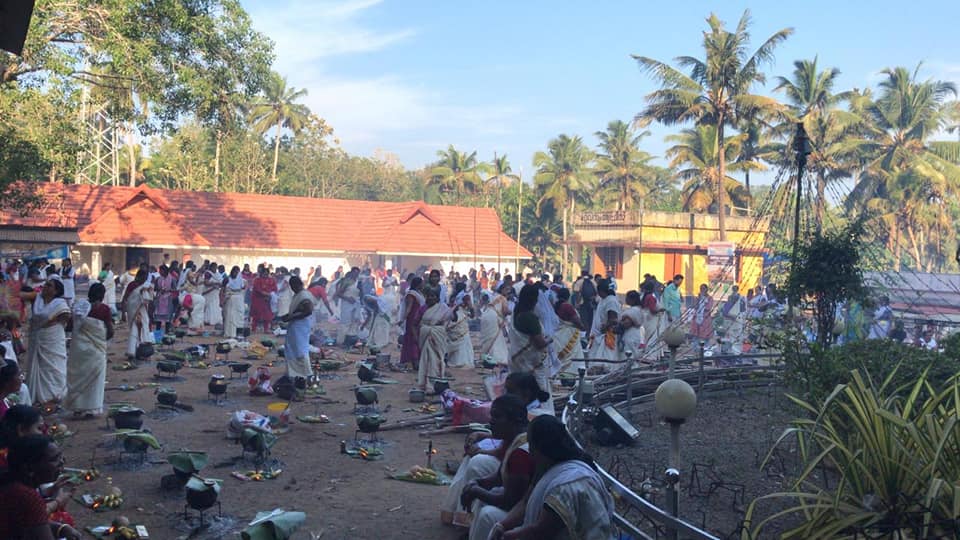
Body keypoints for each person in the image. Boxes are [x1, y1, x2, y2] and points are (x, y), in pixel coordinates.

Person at [490, 415, 616, 540]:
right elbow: (525, 501)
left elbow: (541, 532)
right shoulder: (547, 466)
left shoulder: (565, 487)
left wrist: (507, 536)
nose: (529, 450)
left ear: (542, 448)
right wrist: (502, 526)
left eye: (531, 445)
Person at [462, 394, 536, 540]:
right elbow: (498, 477)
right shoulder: (514, 440)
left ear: (517, 420)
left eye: (497, 417)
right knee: (483, 494)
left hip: (527, 517)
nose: (491, 422)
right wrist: (477, 483)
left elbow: (510, 501)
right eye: (492, 416)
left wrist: (477, 491)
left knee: (487, 514)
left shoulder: (521, 452)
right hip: (518, 505)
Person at [0, 435, 82, 540]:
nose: (61, 462)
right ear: (29, 467)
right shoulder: (27, 496)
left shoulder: (12, 483)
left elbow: (31, 521)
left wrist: (61, 528)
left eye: (60, 457)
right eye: (54, 459)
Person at [63, 283, 112, 418]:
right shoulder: (104, 309)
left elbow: (69, 328)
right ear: (102, 296)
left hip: (78, 349)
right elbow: (110, 331)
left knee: (78, 376)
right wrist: (101, 341)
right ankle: (91, 408)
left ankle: (77, 407)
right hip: (96, 350)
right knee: (94, 379)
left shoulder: (78, 307)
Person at [22, 278, 70, 406]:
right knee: (39, 367)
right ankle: (38, 397)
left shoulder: (60, 304)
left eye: (49, 285)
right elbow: (20, 295)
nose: (45, 287)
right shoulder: (37, 299)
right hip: (37, 338)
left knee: (54, 367)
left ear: (55, 291)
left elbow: (65, 320)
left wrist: (50, 326)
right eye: (45, 284)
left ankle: (54, 395)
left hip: (53, 339)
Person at [508, 284, 552, 415]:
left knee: (518, 390)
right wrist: (550, 340)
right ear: (535, 299)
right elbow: (539, 344)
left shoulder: (517, 311)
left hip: (517, 359)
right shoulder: (530, 318)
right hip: (531, 363)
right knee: (535, 392)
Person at [280, 276, 315, 381]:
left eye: (292, 286)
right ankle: (294, 372)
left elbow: (308, 311)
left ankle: (305, 372)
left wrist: (291, 317)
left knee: (300, 349)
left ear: (297, 284)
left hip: (300, 326)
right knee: (293, 348)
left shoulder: (304, 295)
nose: (292, 288)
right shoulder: (298, 294)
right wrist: (288, 316)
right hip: (295, 325)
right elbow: (298, 310)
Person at [417, 288, 450, 391]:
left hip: (438, 336)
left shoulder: (443, 308)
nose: (431, 298)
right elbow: (417, 323)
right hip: (426, 337)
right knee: (426, 361)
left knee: (436, 361)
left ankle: (435, 385)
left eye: (433, 296)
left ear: (437, 298)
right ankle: (426, 384)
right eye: (429, 296)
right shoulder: (423, 309)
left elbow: (449, 321)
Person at [124, 269, 154, 360]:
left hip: (142, 310)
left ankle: (142, 351)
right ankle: (132, 352)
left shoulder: (146, 286)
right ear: (138, 276)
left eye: (145, 278)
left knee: (144, 329)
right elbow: (127, 298)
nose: (144, 280)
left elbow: (148, 300)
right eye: (143, 277)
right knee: (134, 330)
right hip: (133, 311)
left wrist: (147, 291)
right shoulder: (132, 285)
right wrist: (123, 311)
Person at [553, 288, 585, 374]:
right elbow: (576, 321)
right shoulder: (567, 306)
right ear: (568, 296)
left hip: (559, 336)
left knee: (562, 360)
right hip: (569, 335)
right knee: (573, 358)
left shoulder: (556, 306)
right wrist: (583, 327)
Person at [587, 279, 620, 362]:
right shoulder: (603, 299)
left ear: (602, 291)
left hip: (606, 336)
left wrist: (605, 327)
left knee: (604, 361)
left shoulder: (611, 301)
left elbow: (613, 319)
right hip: (598, 336)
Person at [398, 277, 425, 369]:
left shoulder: (418, 293)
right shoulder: (411, 294)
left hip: (419, 318)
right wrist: (402, 319)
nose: (423, 285)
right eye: (422, 283)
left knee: (417, 338)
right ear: (418, 284)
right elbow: (409, 308)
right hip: (413, 319)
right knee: (412, 339)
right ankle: (412, 359)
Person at [447, 284, 475, 368]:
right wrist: (472, 313)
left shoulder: (453, 296)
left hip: (453, 317)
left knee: (455, 337)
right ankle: (463, 361)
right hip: (461, 317)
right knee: (464, 338)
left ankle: (453, 359)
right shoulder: (465, 296)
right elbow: (470, 307)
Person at [478, 290, 509, 365]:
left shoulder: (493, 296)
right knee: (496, 338)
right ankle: (494, 357)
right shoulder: (503, 298)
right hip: (494, 317)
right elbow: (505, 311)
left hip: (486, 315)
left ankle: (486, 356)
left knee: (488, 337)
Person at [334, 267, 361, 344]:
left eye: (357, 273)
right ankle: (341, 341)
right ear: (351, 272)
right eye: (355, 273)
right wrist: (347, 298)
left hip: (355, 305)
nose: (356, 275)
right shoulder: (347, 281)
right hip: (346, 304)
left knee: (354, 322)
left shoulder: (358, 282)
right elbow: (338, 294)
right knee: (345, 323)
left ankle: (350, 341)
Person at [619, 291, 646, 361]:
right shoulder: (639, 309)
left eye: (627, 298)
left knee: (629, 356)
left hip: (631, 335)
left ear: (632, 300)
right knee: (634, 354)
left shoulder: (634, 311)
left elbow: (627, 323)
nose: (626, 300)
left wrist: (619, 323)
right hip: (636, 334)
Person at [250, 265, 277, 334]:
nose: (265, 274)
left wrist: (270, 294)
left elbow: (274, 288)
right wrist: (265, 294)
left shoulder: (271, 280)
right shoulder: (257, 280)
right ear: (261, 273)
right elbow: (257, 289)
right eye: (264, 273)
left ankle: (266, 329)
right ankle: (253, 328)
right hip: (258, 300)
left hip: (267, 300)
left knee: (267, 316)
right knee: (256, 315)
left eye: (266, 273)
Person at [721, 285, 747, 354]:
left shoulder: (741, 299)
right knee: (731, 338)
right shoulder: (729, 300)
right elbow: (725, 312)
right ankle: (732, 353)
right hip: (730, 322)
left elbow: (743, 309)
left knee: (737, 337)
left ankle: (737, 353)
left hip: (738, 321)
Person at [222, 266, 246, 339]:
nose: (236, 273)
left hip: (239, 301)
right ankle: (229, 333)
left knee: (239, 317)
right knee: (229, 316)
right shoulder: (227, 279)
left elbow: (243, 288)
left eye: (237, 272)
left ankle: (237, 333)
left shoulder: (242, 281)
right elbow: (223, 290)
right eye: (235, 272)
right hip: (230, 300)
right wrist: (222, 299)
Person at [153, 266, 177, 332]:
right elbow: (155, 288)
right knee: (158, 318)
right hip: (160, 299)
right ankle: (158, 332)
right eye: (159, 271)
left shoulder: (172, 279)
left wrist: (168, 290)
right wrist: (160, 289)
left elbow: (175, 289)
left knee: (168, 318)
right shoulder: (158, 279)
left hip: (168, 299)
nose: (160, 272)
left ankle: (167, 332)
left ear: (166, 271)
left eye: (161, 271)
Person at [202, 263, 224, 328]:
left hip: (216, 293)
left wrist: (219, 285)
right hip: (209, 292)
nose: (215, 269)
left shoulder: (217, 274)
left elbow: (221, 283)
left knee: (215, 306)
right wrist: (215, 284)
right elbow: (206, 283)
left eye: (216, 267)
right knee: (209, 307)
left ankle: (215, 320)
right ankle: (207, 320)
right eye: (214, 267)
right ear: (211, 267)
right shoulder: (208, 273)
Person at [577, 273, 597, 337]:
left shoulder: (579, 282)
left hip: (582, 303)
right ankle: (589, 334)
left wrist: (577, 303)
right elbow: (596, 293)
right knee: (590, 319)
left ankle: (584, 334)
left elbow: (576, 293)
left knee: (583, 319)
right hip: (591, 304)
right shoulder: (593, 282)